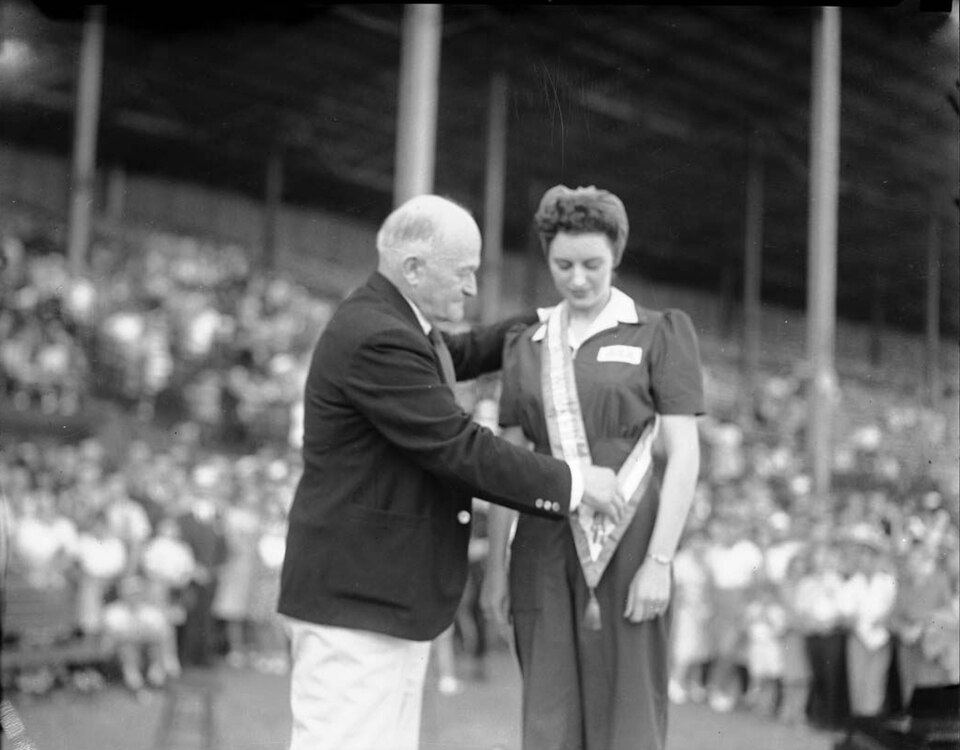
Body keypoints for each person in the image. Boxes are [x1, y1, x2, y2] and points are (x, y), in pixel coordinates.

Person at [277, 194, 624, 750]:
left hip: (376, 600)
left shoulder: (396, 322)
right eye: (463, 273)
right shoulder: (378, 337)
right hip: (358, 606)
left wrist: (548, 317)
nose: (471, 288)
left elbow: (459, 352)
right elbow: (463, 449)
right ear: (412, 268)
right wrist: (576, 483)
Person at [480, 184, 703, 750]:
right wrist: (496, 569)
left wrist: (661, 560)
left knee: (628, 710)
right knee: (548, 711)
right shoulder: (525, 343)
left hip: (629, 539)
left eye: (592, 265)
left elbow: (683, 452)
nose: (577, 279)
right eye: (563, 265)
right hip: (541, 540)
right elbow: (509, 460)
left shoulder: (660, 332)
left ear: (617, 256)